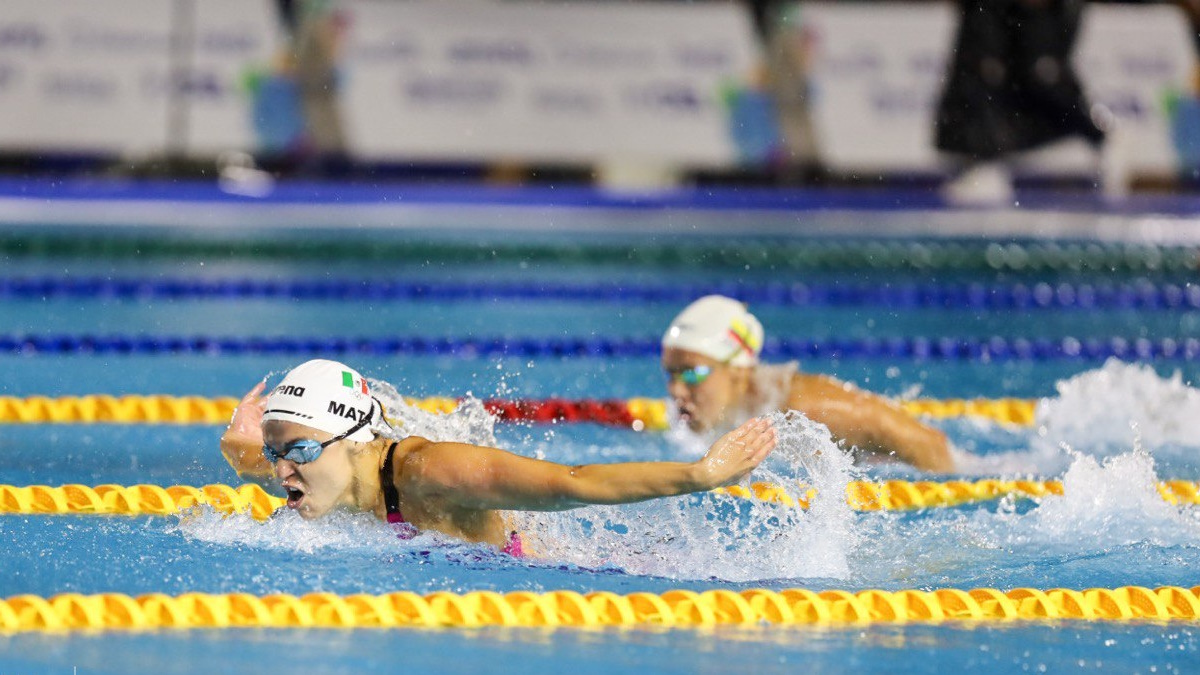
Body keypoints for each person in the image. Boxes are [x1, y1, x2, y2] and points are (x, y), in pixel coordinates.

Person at [220, 359, 777, 555]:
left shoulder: (428, 473)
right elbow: (251, 453)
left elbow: (570, 481)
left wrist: (700, 473)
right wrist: (240, 442)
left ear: (356, 438)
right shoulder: (316, 467)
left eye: (296, 451)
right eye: (275, 453)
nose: (281, 471)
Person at [661, 295, 955, 473]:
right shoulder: (717, 412)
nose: (676, 390)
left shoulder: (802, 408)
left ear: (737, 370)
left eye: (691, 373)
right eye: (671, 374)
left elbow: (932, 445)